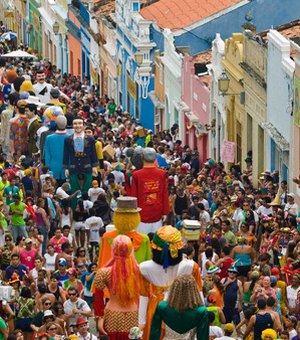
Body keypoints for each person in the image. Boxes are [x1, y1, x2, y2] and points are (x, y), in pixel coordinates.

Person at [138, 225, 202, 339]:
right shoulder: (191, 266)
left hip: (155, 310)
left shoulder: (144, 268)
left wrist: (141, 322)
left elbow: (143, 296)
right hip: (181, 310)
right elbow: (199, 294)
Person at [94, 235, 139, 339]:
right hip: (133, 316)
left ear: (113, 249)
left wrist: (99, 318)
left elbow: (98, 297)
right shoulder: (138, 271)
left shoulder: (104, 272)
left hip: (112, 316)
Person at [150, 275, 209, 339]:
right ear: (194, 290)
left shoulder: (162, 307)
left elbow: (154, 332)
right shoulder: (201, 312)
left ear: (173, 289)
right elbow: (203, 337)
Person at [131, 147, 170, 234]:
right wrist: (165, 212)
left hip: (141, 215)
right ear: (155, 158)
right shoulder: (162, 173)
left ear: (142, 157)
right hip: (157, 214)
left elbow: (134, 196)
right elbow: (164, 193)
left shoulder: (136, 175)